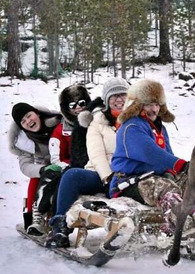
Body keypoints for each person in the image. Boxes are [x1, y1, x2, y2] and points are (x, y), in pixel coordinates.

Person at [46, 77, 130, 248]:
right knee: (71, 176)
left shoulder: (136, 120)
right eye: (114, 96)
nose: (119, 99)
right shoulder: (97, 121)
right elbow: (96, 153)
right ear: (106, 100)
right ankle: (60, 226)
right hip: (102, 175)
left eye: (123, 94)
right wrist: (109, 178)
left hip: (129, 175)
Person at [109, 79, 188, 234]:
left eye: (158, 105)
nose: (154, 109)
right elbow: (150, 153)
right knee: (165, 188)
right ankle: (172, 231)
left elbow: (168, 155)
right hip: (129, 183)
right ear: (138, 105)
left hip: (155, 178)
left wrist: (183, 172)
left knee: (192, 182)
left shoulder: (159, 128)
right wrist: (181, 165)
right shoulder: (131, 127)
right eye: (149, 104)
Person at [37, 85, 91, 218]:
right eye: (73, 105)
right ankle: (43, 211)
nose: (78, 107)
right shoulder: (61, 130)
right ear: (66, 108)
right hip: (69, 167)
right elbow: (56, 158)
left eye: (82, 103)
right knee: (51, 173)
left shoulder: (96, 123)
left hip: (93, 166)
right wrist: (69, 167)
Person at [7, 102, 61, 235]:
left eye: (29, 116)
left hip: (65, 159)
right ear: (22, 127)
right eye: (23, 121)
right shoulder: (24, 142)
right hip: (47, 167)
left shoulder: (56, 122)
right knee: (37, 177)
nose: (28, 121)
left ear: (36, 113)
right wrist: (42, 169)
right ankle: (33, 217)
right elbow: (25, 165)